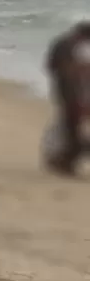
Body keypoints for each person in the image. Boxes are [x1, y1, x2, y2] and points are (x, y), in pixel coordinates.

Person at [44, 21, 90, 176]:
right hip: (71, 95)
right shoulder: (66, 47)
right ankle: (62, 162)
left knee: (70, 129)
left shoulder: (64, 45)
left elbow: (50, 66)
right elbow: (68, 72)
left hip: (67, 93)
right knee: (72, 131)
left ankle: (61, 161)